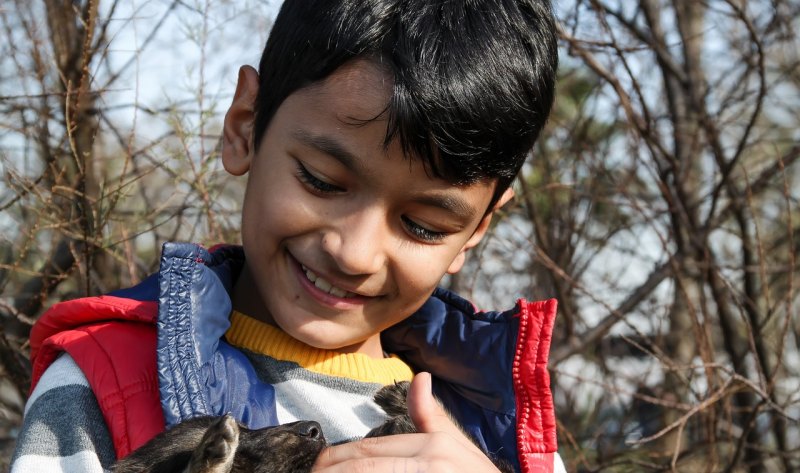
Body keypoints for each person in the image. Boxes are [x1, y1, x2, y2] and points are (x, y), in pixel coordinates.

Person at [11, 0, 564, 472]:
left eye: (422, 226)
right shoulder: (101, 383)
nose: (355, 252)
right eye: (322, 181)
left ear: (476, 229)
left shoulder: (494, 433)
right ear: (245, 124)